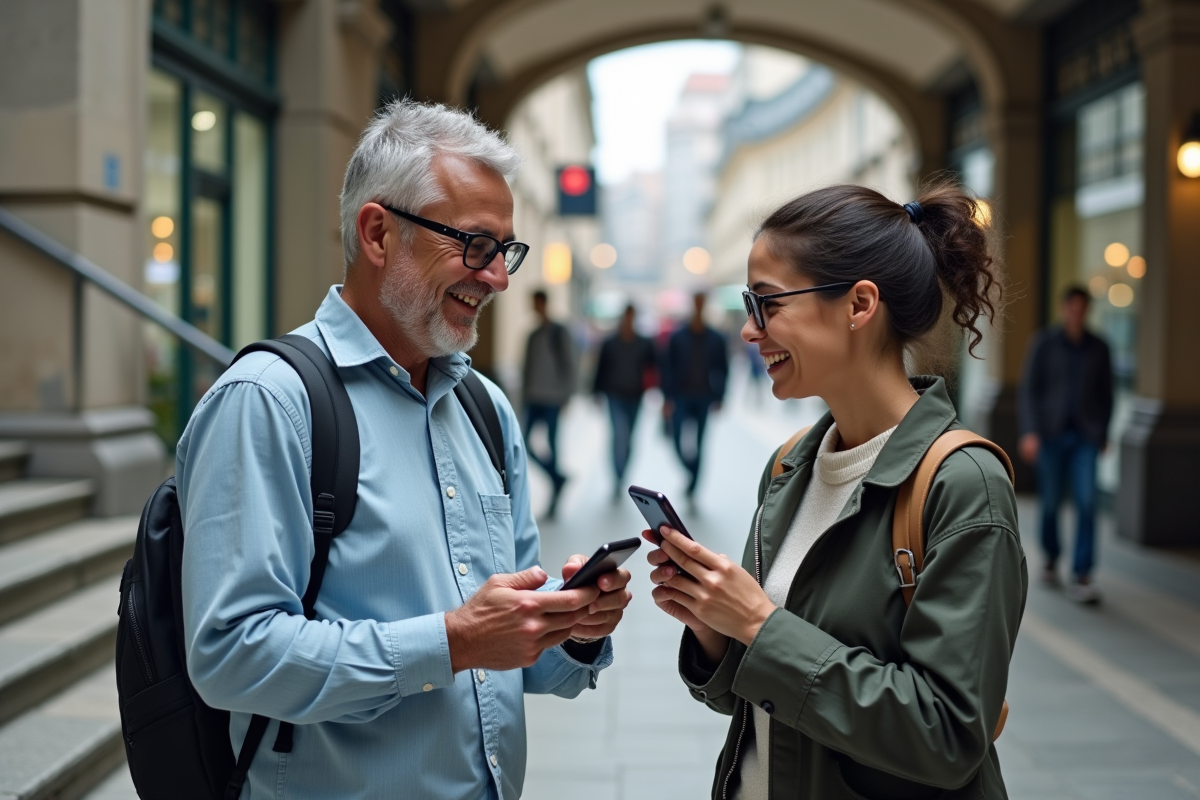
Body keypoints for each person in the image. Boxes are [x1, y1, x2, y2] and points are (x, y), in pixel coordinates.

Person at [176, 100, 631, 800]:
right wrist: (453, 642)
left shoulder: (483, 407)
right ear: (379, 233)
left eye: (505, 251)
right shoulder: (269, 400)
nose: (498, 278)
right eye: (476, 245)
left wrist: (570, 629)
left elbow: (510, 659)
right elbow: (231, 656)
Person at [644, 184, 1026, 800]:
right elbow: (764, 696)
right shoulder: (790, 465)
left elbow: (949, 735)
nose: (748, 330)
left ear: (859, 304)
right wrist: (717, 629)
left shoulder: (963, 484)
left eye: (766, 303)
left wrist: (759, 623)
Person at [1019, 285, 1113, 604]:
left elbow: (1107, 395)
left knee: (1087, 503)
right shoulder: (1044, 344)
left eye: (1082, 308)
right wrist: (1030, 432)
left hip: (1085, 437)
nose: (1077, 313)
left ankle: (1082, 573)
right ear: (1064, 308)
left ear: (1087, 311)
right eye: (1072, 307)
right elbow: (1030, 389)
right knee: (1051, 503)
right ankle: (1050, 557)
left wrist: (1103, 433)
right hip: (1051, 435)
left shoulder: (1099, 348)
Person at [660, 292, 728, 503]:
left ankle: (694, 484)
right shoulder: (678, 337)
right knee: (677, 442)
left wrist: (720, 397)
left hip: (704, 396)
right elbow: (667, 368)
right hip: (680, 396)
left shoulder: (716, 338)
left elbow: (724, 369)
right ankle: (691, 472)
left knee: (700, 443)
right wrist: (667, 398)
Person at [592, 303, 658, 499]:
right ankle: (617, 476)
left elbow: (653, 366)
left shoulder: (644, 343)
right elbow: (600, 368)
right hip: (614, 395)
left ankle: (623, 473)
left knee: (629, 438)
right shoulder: (610, 342)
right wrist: (595, 392)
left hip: (635, 396)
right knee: (619, 435)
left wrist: (654, 388)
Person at [522, 289, 576, 518]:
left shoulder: (558, 332)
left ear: (544, 303)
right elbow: (527, 368)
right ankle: (557, 477)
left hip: (553, 398)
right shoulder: (532, 335)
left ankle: (555, 493)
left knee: (553, 446)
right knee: (525, 444)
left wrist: (566, 396)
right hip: (533, 398)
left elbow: (570, 365)